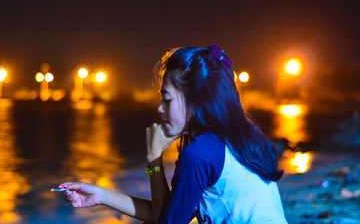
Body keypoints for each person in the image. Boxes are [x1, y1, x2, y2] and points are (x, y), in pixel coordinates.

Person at [60, 44, 288, 223]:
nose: (160, 108)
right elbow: (170, 213)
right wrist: (100, 196)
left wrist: (154, 158)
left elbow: (167, 222)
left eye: (167, 99)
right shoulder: (239, 137)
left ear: (197, 102)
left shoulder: (200, 153)